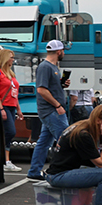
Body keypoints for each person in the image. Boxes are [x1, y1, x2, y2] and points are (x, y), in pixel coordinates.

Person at [44, 103, 102, 205]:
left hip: (71, 170)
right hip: (59, 176)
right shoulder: (83, 134)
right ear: (98, 120)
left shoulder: (85, 126)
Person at [28, 39, 71, 180]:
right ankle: (61, 171)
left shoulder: (53, 67)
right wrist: (58, 105)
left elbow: (49, 87)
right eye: (63, 51)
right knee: (65, 140)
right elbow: (41, 89)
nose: (64, 53)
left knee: (44, 142)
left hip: (51, 110)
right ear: (58, 52)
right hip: (52, 110)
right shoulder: (45, 67)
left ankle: (34, 171)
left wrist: (62, 84)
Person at [0, 48, 23, 172]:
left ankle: (6, 160)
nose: (13, 60)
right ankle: (1, 156)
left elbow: (15, 92)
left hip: (12, 106)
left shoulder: (10, 73)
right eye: (11, 57)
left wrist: (19, 109)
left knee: (8, 132)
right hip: (3, 105)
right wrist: (1, 108)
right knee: (10, 131)